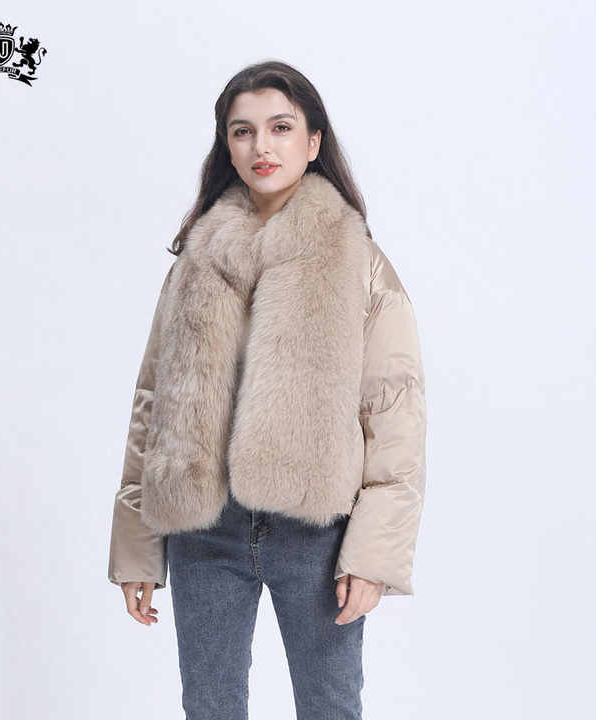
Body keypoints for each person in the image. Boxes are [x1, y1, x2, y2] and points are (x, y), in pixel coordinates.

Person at [107, 60, 427, 720]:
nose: (262, 146)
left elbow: (394, 412)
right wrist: (137, 546)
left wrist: (372, 555)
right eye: (243, 130)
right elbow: (153, 402)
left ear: (313, 141)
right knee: (209, 708)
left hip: (319, 533)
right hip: (204, 529)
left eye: (281, 127)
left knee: (330, 707)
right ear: (226, 146)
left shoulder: (358, 263)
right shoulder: (195, 262)